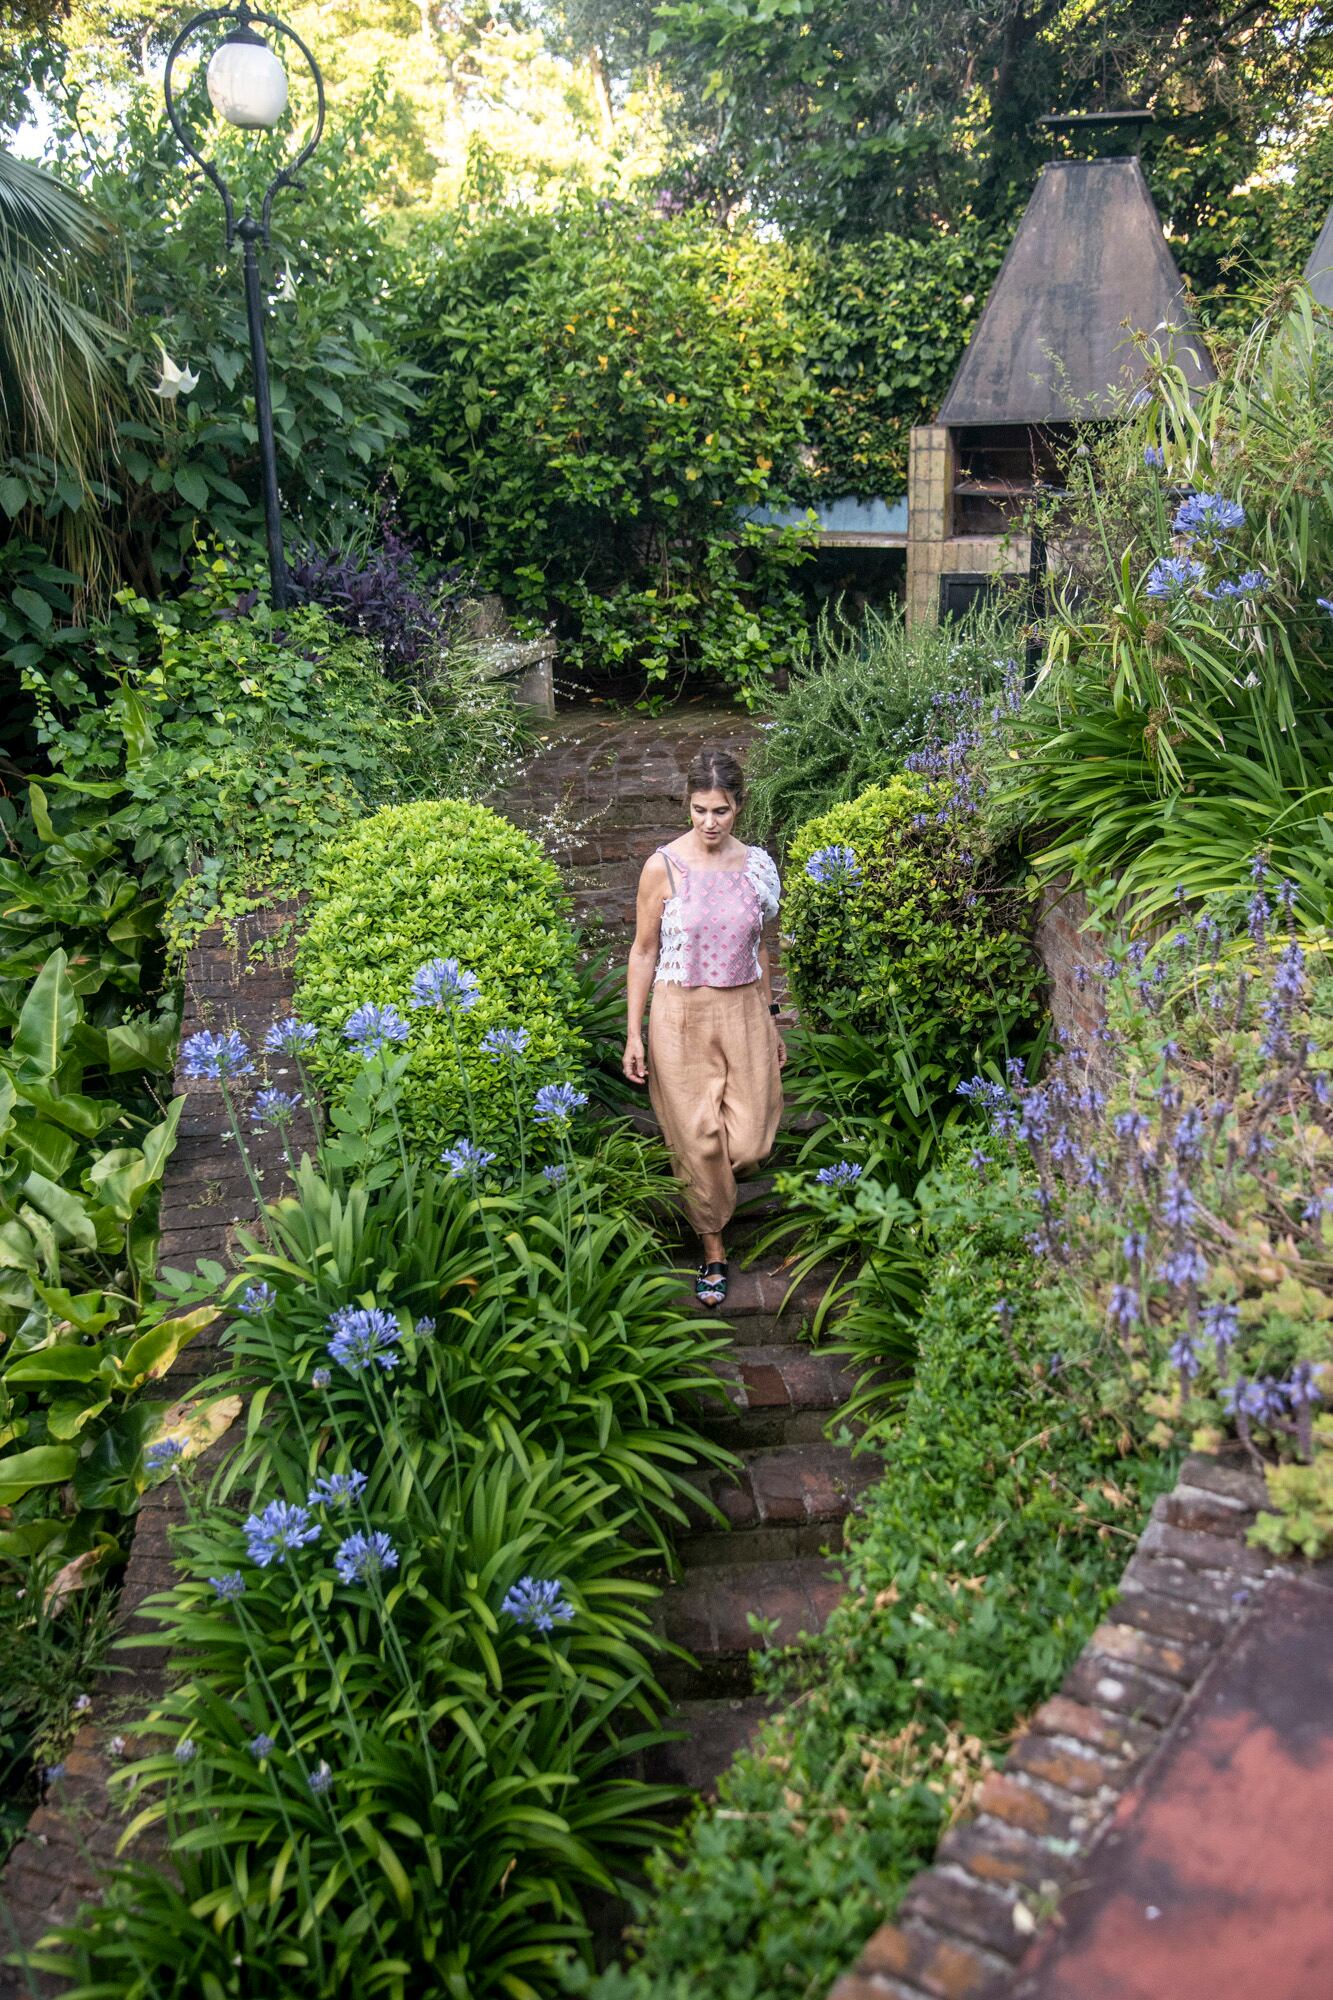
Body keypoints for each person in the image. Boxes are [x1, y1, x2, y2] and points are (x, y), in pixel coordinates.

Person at [622, 746, 786, 1307]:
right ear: (687, 807)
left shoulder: (758, 866)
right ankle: (713, 1248)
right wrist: (633, 1032)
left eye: (720, 811)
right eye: (699, 810)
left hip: (742, 1011)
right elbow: (643, 951)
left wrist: (772, 1019)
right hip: (678, 1015)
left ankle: (721, 1193)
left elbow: (761, 946)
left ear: (739, 806)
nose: (709, 823)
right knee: (695, 1140)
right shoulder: (662, 866)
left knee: (750, 1140)